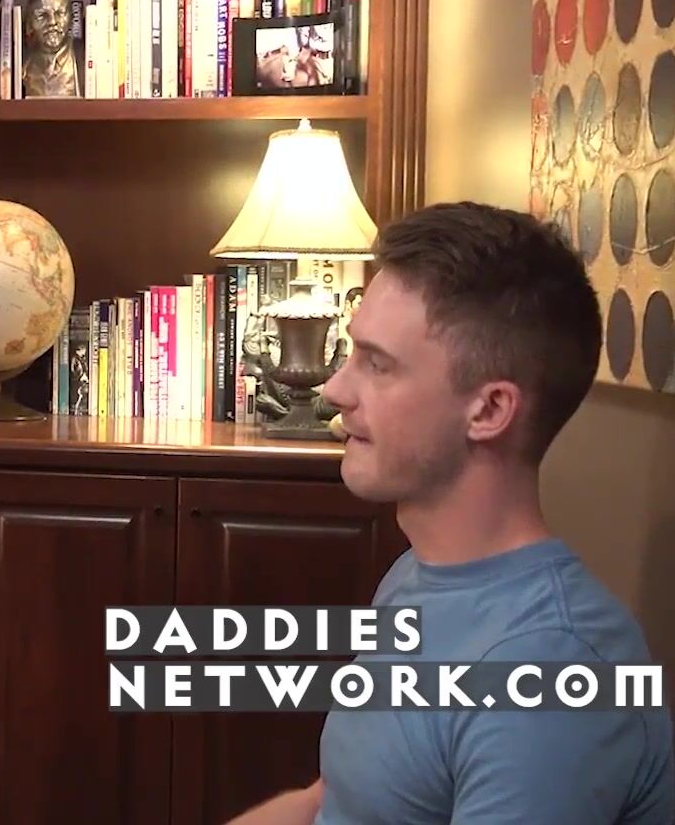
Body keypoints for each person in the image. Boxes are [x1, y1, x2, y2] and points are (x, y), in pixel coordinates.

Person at [230, 201, 672, 824]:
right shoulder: (417, 573)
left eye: (377, 364)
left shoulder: (549, 670)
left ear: (488, 411)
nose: (335, 389)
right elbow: (331, 800)